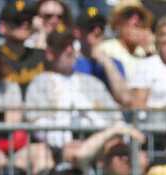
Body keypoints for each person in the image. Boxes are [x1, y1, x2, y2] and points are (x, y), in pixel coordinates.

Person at [24, 31, 122, 168]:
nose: (69, 50)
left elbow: (114, 116)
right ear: (50, 54)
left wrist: (94, 139)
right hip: (58, 148)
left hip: (97, 141)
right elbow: (37, 123)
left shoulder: (92, 82)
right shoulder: (40, 83)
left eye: (71, 45)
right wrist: (65, 141)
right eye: (63, 47)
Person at [72, 8, 131, 107]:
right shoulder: (70, 62)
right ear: (77, 32)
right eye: (91, 27)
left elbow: (125, 99)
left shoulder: (114, 64)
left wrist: (107, 63)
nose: (97, 31)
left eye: (101, 27)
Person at [96, 0, 154, 80]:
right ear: (117, 23)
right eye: (128, 15)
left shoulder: (147, 51)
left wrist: (149, 53)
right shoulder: (106, 49)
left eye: (140, 16)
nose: (135, 20)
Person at [0, 0, 45, 94]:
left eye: (29, 19)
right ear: (2, 27)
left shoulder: (41, 57)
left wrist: (42, 32)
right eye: (17, 20)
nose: (25, 23)